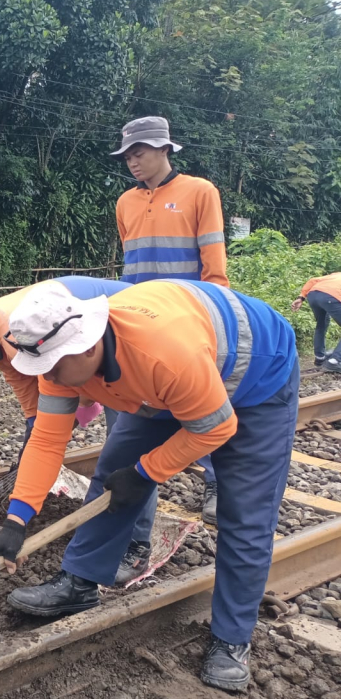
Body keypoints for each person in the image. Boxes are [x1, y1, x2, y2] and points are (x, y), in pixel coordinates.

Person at [0, 279, 297, 692]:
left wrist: (148, 472)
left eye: (55, 367)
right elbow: (46, 439)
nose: (49, 376)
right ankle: (80, 582)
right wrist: (17, 519)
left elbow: (216, 426)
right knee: (113, 473)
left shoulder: (161, 356)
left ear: (90, 345)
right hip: (169, 381)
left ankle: (231, 640)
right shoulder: (60, 361)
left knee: (245, 514)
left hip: (257, 377)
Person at [111, 115, 229, 576]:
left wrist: (213, 319)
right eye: (127, 155)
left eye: (140, 152)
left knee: (206, 410)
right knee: (134, 432)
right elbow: (130, 266)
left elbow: (214, 267)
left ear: (164, 149)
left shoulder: (201, 193)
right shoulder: (124, 202)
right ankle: (135, 542)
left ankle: (218, 485)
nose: (133, 161)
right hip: (139, 326)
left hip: (189, 322)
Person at [0, 276, 131, 471]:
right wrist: (29, 450)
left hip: (120, 318)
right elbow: (30, 398)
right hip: (90, 340)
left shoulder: (16, 334)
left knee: (122, 433)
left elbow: (68, 389)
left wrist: (41, 447)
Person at [291, 273, 341, 373]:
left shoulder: (336, 275)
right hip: (331, 297)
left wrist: (301, 297)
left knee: (321, 324)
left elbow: (312, 280)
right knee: (322, 324)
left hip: (313, 294)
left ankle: (320, 357)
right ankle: (334, 361)